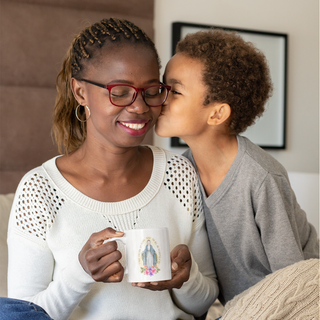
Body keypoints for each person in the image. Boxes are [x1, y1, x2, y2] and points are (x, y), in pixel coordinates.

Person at [3, 18, 218, 320]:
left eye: (151, 90)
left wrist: (187, 278)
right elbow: (19, 315)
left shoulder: (179, 174)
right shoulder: (40, 190)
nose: (140, 107)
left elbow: (204, 303)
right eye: (120, 92)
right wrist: (79, 275)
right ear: (80, 92)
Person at [155, 28, 319, 306]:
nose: (161, 97)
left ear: (217, 113)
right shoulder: (180, 171)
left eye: (175, 91)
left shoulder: (262, 176)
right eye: (163, 87)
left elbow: (292, 282)